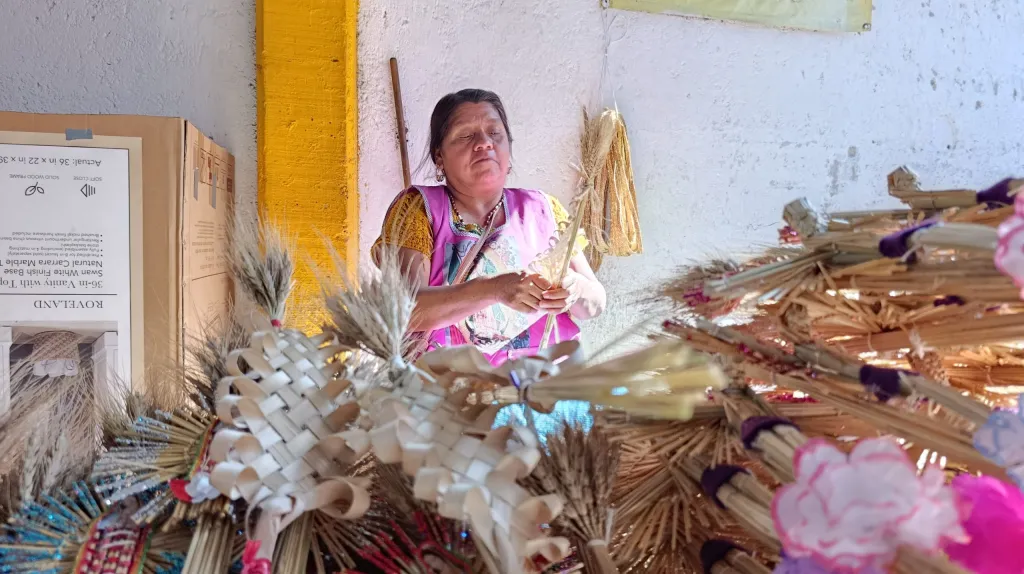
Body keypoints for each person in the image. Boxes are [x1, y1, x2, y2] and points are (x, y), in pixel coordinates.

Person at [373, 88, 607, 367]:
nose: (484, 143)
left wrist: (574, 291)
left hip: (542, 389)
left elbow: (596, 301)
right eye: (465, 135)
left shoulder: (544, 209)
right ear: (439, 156)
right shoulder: (418, 209)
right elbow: (406, 311)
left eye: (495, 133)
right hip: (450, 393)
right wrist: (494, 289)